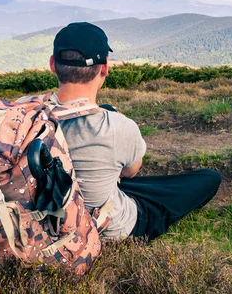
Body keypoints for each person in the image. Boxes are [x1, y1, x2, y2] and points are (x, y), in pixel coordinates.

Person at [36, 22, 221, 240]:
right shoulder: (117, 127)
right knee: (209, 178)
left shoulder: (23, 116)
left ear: (52, 65)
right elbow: (130, 172)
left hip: (43, 216)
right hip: (106, 225)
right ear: (104, 67)